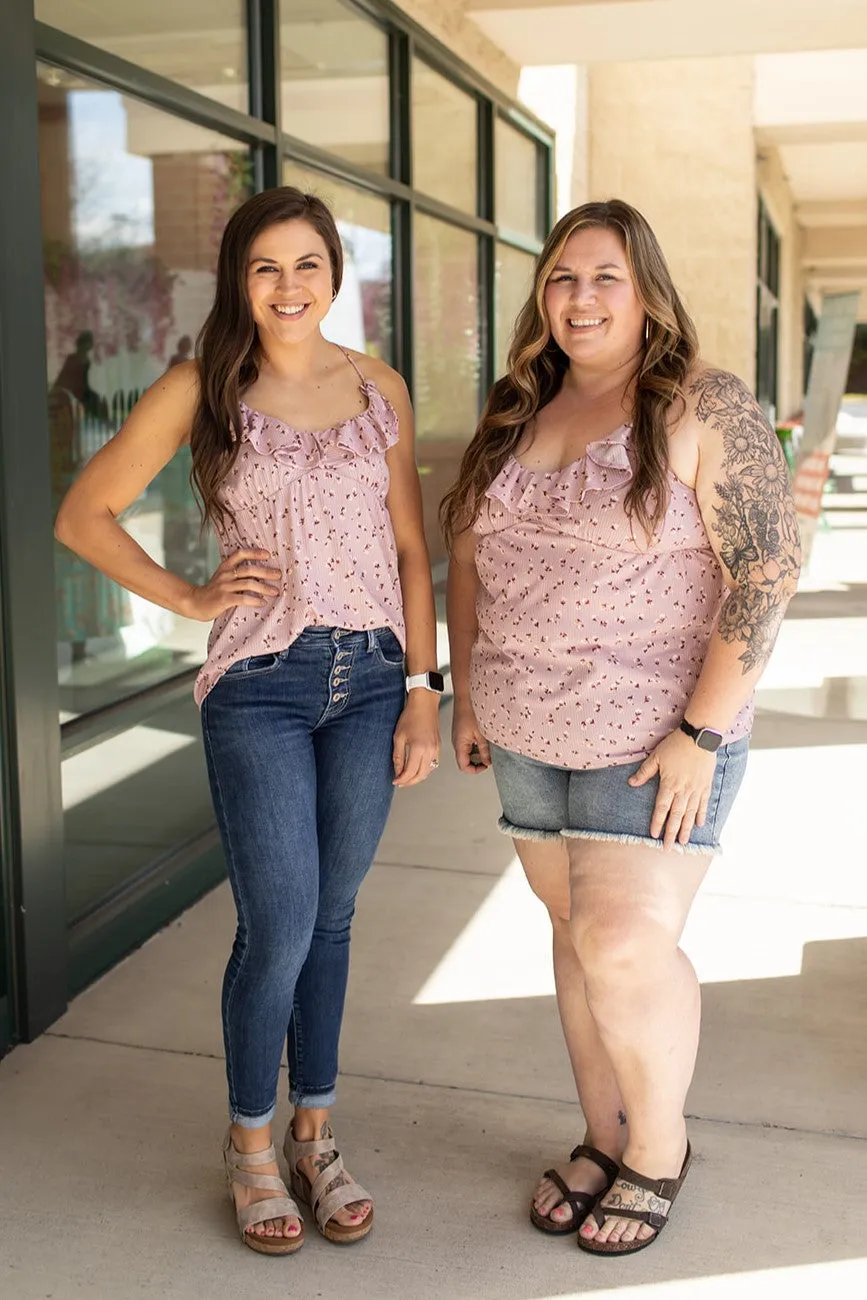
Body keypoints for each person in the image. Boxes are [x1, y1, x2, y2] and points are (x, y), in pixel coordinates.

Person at [55, 186, 442, 1255]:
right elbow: (82, 513)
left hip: (369, 680)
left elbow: (411, 549)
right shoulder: (203, 385)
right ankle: (251, 1140)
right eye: (265, 266)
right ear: (238, 278)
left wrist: (423, 688)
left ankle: (317, 1128)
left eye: (307, 263)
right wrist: (186, 598)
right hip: (260, 682)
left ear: (335, 273)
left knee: (334, 917)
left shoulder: (378, 387)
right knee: (278, 921)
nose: (287, 286)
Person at [441, 199, 800, 1258]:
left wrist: (701, 731)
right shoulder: (519, 410)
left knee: (622, 941)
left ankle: (659, 1147)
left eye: (604, 277)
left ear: (647, 290)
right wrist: (466, 692)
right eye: (561, 277)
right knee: (571, 939)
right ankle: (602, 1134)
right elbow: (467, 557)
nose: (580, 297)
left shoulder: (699, 403)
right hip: (522, 726)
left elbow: (768, 570)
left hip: (657, 733)